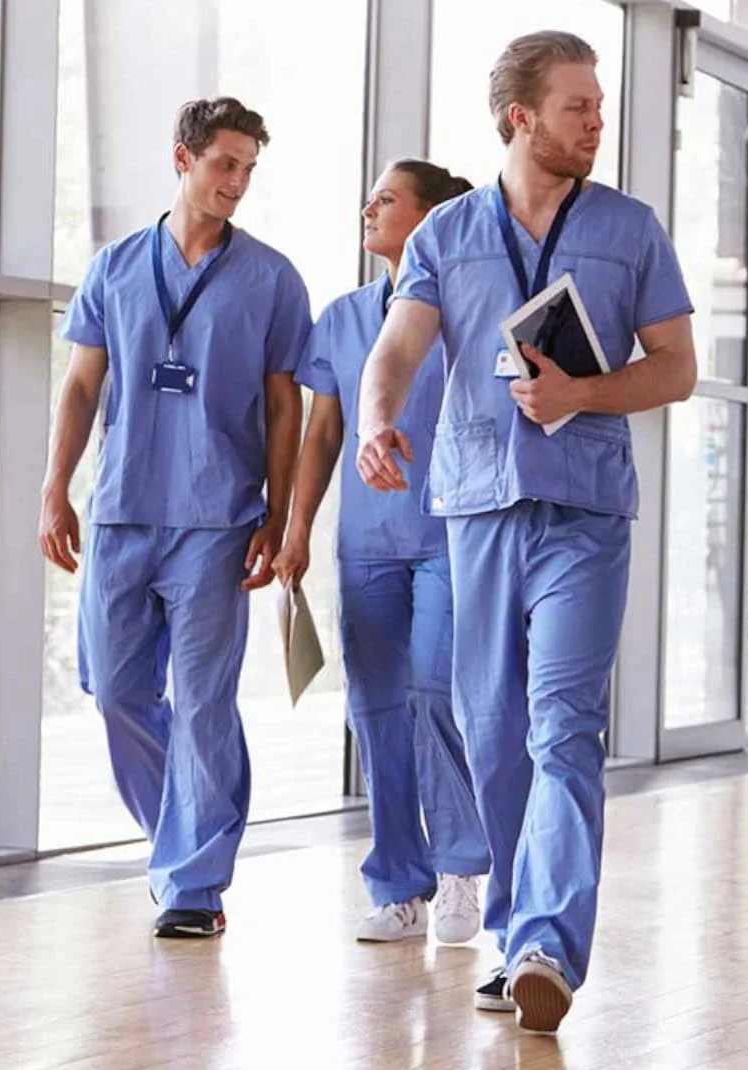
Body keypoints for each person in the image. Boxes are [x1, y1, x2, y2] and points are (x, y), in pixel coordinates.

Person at [355, 31, 696, 1034]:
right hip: (477, 508)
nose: (598, 121)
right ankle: (513, 932)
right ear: (521, 117)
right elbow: (397, 349)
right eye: (579, 106)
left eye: (598, 105)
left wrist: (584, 391)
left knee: (561, 725)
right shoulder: (447, 234)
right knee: (496, 731)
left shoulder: (630, 229)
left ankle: (548, 935)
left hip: (585, 513)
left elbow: (673, 365)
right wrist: (379, 419)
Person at [39, 97, 311, 940]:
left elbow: (282, 404)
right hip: (123, 511)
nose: (237, 183)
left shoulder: (271, 278)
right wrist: (56, 488)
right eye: (225, 164)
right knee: (117, 690)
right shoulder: (116, 267)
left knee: (202, 703)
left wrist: (278, 510)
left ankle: (194, 882)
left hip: (218, 518)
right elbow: (84, 385)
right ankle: (178, 840)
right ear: (182, 159)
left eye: (248, 170)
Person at [273, 159, 490, 946]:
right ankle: (401, 882)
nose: (369, 205)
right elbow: (323, 431)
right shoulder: (341, 317)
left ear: (433, 219)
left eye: (388, 198)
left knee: (434, 693)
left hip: (449, 535)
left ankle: (464, 865)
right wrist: (296, 530)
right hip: (365, 545)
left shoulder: (468, 312)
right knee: (375, 713)